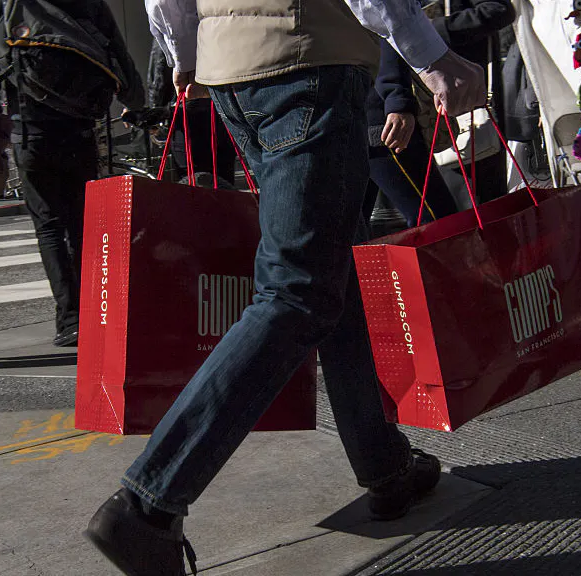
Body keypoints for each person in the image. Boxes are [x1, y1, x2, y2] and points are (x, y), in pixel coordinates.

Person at [81, 0, 485, 573]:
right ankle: (146, 504)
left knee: (328, 272)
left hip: (233, 71)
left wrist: (188, 50)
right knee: (297, 293)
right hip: (309, 57)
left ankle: (385, 464)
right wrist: (432, 54)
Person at [0, 0, 144, 348]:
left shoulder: (9, 3)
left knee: (49, 226)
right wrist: (137, 101)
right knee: (82, 223)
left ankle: (69, 319)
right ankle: (94, 314)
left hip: (30, 130)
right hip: (79, 127)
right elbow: (115, 49)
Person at [364, 39, 458, 230]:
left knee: (351, 231)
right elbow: (385, 29)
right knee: (438, 222)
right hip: (380, 118)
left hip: (345, 113)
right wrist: (397, 98)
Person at [429, 0, 516, 206]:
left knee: (480, 203)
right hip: (432, 109)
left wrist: (436, 29)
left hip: (471, 105)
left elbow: (500, 10)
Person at [147, 40, 237, 188]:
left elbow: (160, 69)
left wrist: (155, 109)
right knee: (224, 182)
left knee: (191, 184)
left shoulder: (173, 19)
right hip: (222, 106)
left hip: (187, 112)